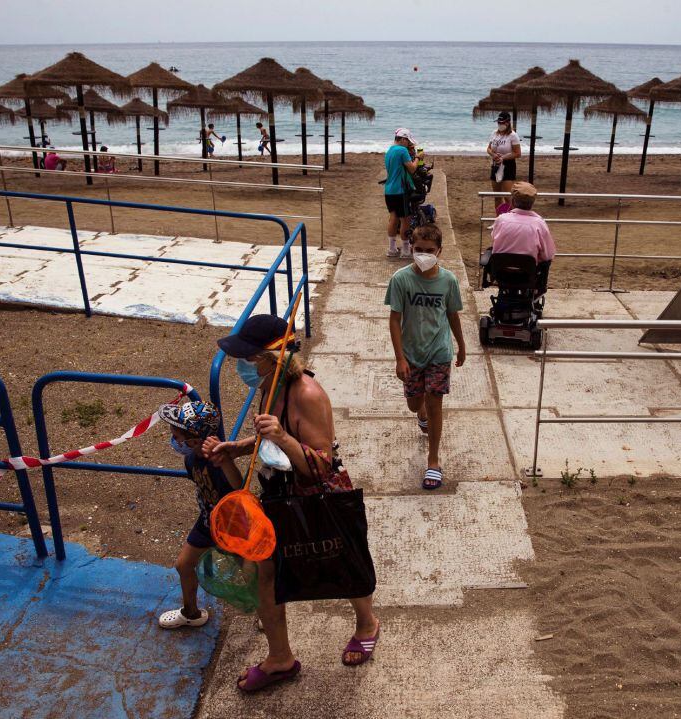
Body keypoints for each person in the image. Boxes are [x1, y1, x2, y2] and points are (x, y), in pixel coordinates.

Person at [203, 314, 380, 692]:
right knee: (268, 574)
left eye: (249, 359)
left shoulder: (308, 395)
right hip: (279, 493)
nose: (242, 367)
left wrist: (283, 438)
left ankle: (367, 623)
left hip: (317, 494)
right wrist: (236, 449)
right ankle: (280, 658)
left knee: (341, 560)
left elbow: (320, 464)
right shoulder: (268, 385)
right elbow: (269, 440)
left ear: (273, 358)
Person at [385, 223, 466, 490]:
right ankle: (419, 413)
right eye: (418, 249)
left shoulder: (448, 281)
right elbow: (395, 319)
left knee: (435, 404)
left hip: (439, 352)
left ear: (439, 251)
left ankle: (433, 461)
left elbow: (452, 314)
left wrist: (461, 345)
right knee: (414, 403)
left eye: (429, 250)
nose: (423, 254)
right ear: (412, 247)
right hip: (411, 354)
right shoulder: (401, 279)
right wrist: (400, 358)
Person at [156, 400, 243, 630]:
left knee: (255, 573)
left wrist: (225, 460)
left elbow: (238, 486)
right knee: (184, 565)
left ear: (194, 439)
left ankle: (266, 611)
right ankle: (191, 613)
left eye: (176, 433)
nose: (174, 438)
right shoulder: (191, 459)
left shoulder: (218, 460)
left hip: (234, 526)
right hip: (207, 521)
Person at [488, 182, 556, 293]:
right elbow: (548, 255)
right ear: (532, 203)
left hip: (501, 273)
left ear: (513, 201)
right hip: (527, 274)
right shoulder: (539, 224)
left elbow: (494, 239)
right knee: (544, 261)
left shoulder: (501, 220)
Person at [384, 127, 418, 259]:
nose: (408, 143)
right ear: (403, 139)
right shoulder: (402, 150)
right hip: (401, 191)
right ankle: (405, 251)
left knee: (393, 218)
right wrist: (417, 158)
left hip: (389, 190)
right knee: (405, 220)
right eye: (407, 141)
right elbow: (412, 169)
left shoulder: (390, 150)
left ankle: (392, 249)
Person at [486, 111, 521, 211]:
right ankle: (499, 219)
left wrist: (503, 157)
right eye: (498, 123)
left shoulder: (513, 135)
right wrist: (493, 154)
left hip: (508, 166)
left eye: (502, 123)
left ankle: (511, 219)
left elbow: (518, 153)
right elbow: (488, 149)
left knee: (507, 196)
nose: (500, 125)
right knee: (497, 196)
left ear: (508, 123)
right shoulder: (494, 133)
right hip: (495, 164)